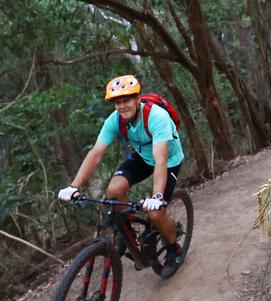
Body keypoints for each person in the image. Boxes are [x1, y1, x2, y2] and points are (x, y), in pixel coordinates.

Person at [58, 75, 185, 279]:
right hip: (143, 157)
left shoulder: (156, 117)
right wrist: (74, 186)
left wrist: (157, 198)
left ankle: (173, 249)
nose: (122, 106)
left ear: (137, 99)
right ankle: (128, 233)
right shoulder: (114, 120)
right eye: (118, 102)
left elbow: (160, 159)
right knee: (114, 190)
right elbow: (96, 153)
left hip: (168, 160)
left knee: (155, 214)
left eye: (126, 100)